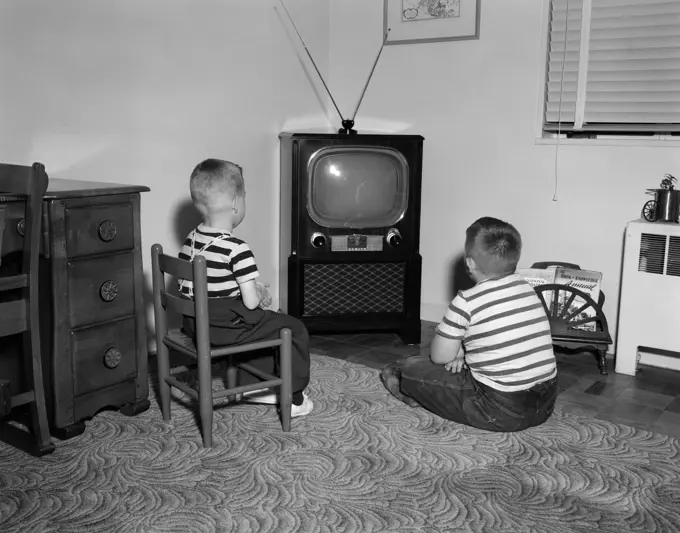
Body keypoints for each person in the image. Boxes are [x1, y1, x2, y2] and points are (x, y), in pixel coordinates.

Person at [381, 217, 558, 432]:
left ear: (470, 263)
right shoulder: (528, 288)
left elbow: (439, 357)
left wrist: (455, 353)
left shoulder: (467, 301)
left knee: (405, 367)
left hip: (500, 410)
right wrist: (464, 354)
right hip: (545, 404)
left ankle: (420, 395)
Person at [178, 158, 313, 417]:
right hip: (223, 330)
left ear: (197, 203)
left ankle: (252, 386)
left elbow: (212, 285)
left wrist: (249, 286)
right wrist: (259, 291)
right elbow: (251, 303)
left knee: (264, 323)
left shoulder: (192, 239)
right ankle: (294, 398)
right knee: (291, 328)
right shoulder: (236, 248)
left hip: (196, 323)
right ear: (237, 203)